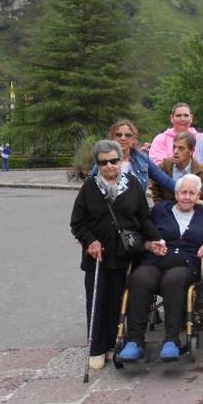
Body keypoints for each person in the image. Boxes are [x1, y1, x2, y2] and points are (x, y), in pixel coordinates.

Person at [70, 140, 163, 370]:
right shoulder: (89, 188)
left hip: (125, 253)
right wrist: (90, 241)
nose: (109, 166)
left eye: (114, 161)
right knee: (97, 299)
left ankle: (113, 344)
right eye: (104, 162)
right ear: (97, 164)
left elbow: (143, 218)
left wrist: (155, 238)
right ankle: (96, 348)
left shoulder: (132, 185)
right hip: (98, 256)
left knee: (118, 300)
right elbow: (77, 223)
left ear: (120, 160)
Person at [117, 175, 203, 363]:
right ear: (176, 193)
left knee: (173, 281)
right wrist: (149, 245)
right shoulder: (160, 210)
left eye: (192, 193)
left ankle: (171, 341)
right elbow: (140, 233)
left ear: (199, 195)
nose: (187, 197)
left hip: (185, 264)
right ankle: (135, 341)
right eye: (183, 192)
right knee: (139, 279)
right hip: (155, 260)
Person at [98, 120, 177, 194]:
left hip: (137, 207)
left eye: (128, 135)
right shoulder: (103, 159)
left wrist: (184, 191)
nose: (123, 138)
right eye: (118, 135)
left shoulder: (143, 159)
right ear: (112, 138)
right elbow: (92, 187)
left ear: (133, 140)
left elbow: (165, 182)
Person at [150, 131, 203, 203]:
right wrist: (161, 208)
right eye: (174, 147)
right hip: (166, 211)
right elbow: (154, 189)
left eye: (181, 148)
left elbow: (202, 197)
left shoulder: (202, 172)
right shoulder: (164, 166)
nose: (175, 151)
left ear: (192, 151)